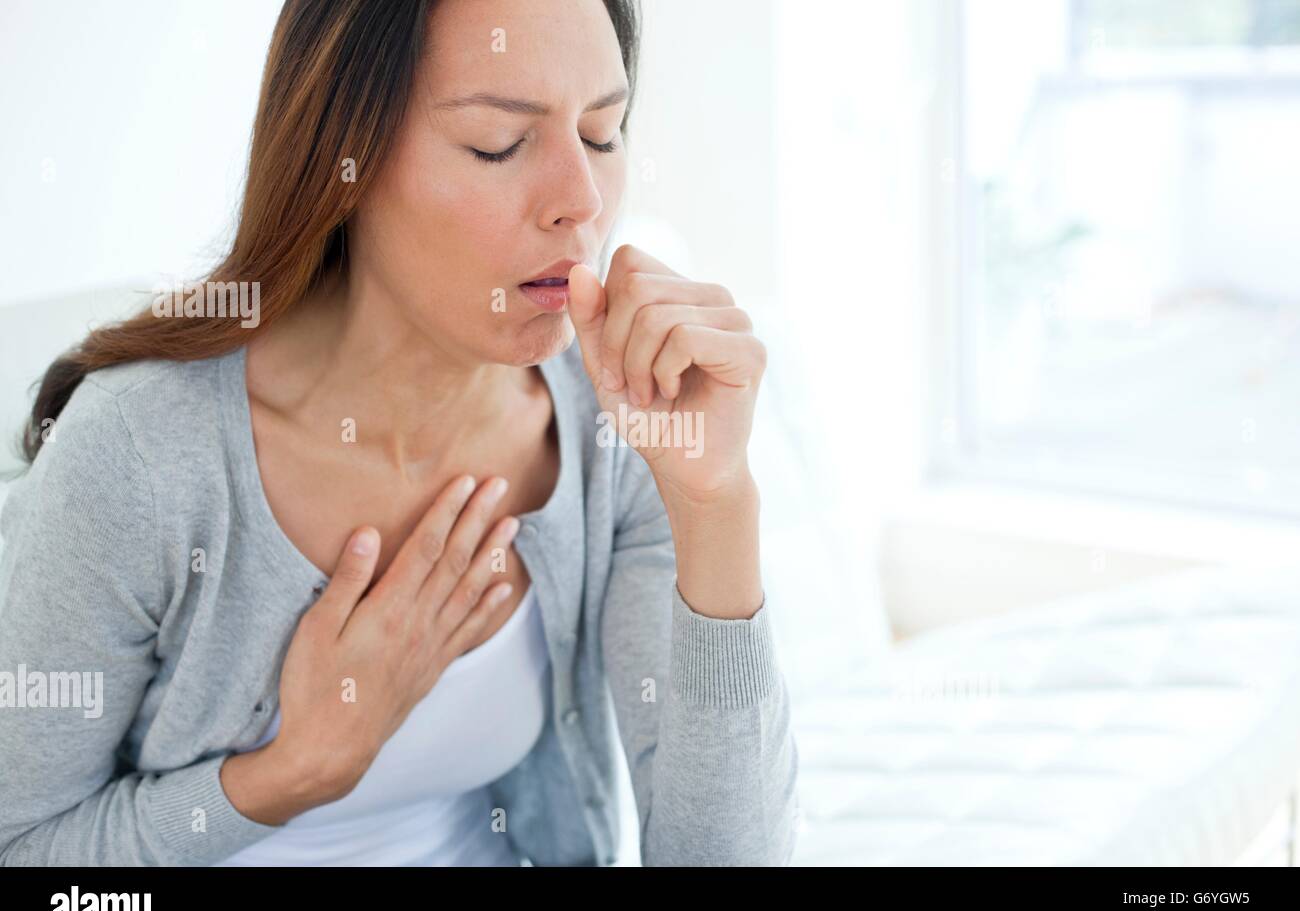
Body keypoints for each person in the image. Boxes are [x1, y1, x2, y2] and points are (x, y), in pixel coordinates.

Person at [0, 0, 798, 866]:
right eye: (498, 142)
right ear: (345, 160)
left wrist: (715, 506)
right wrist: (291, 771)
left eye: (603, 134)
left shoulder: (617, 417)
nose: (583, 204)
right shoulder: (138, 456)